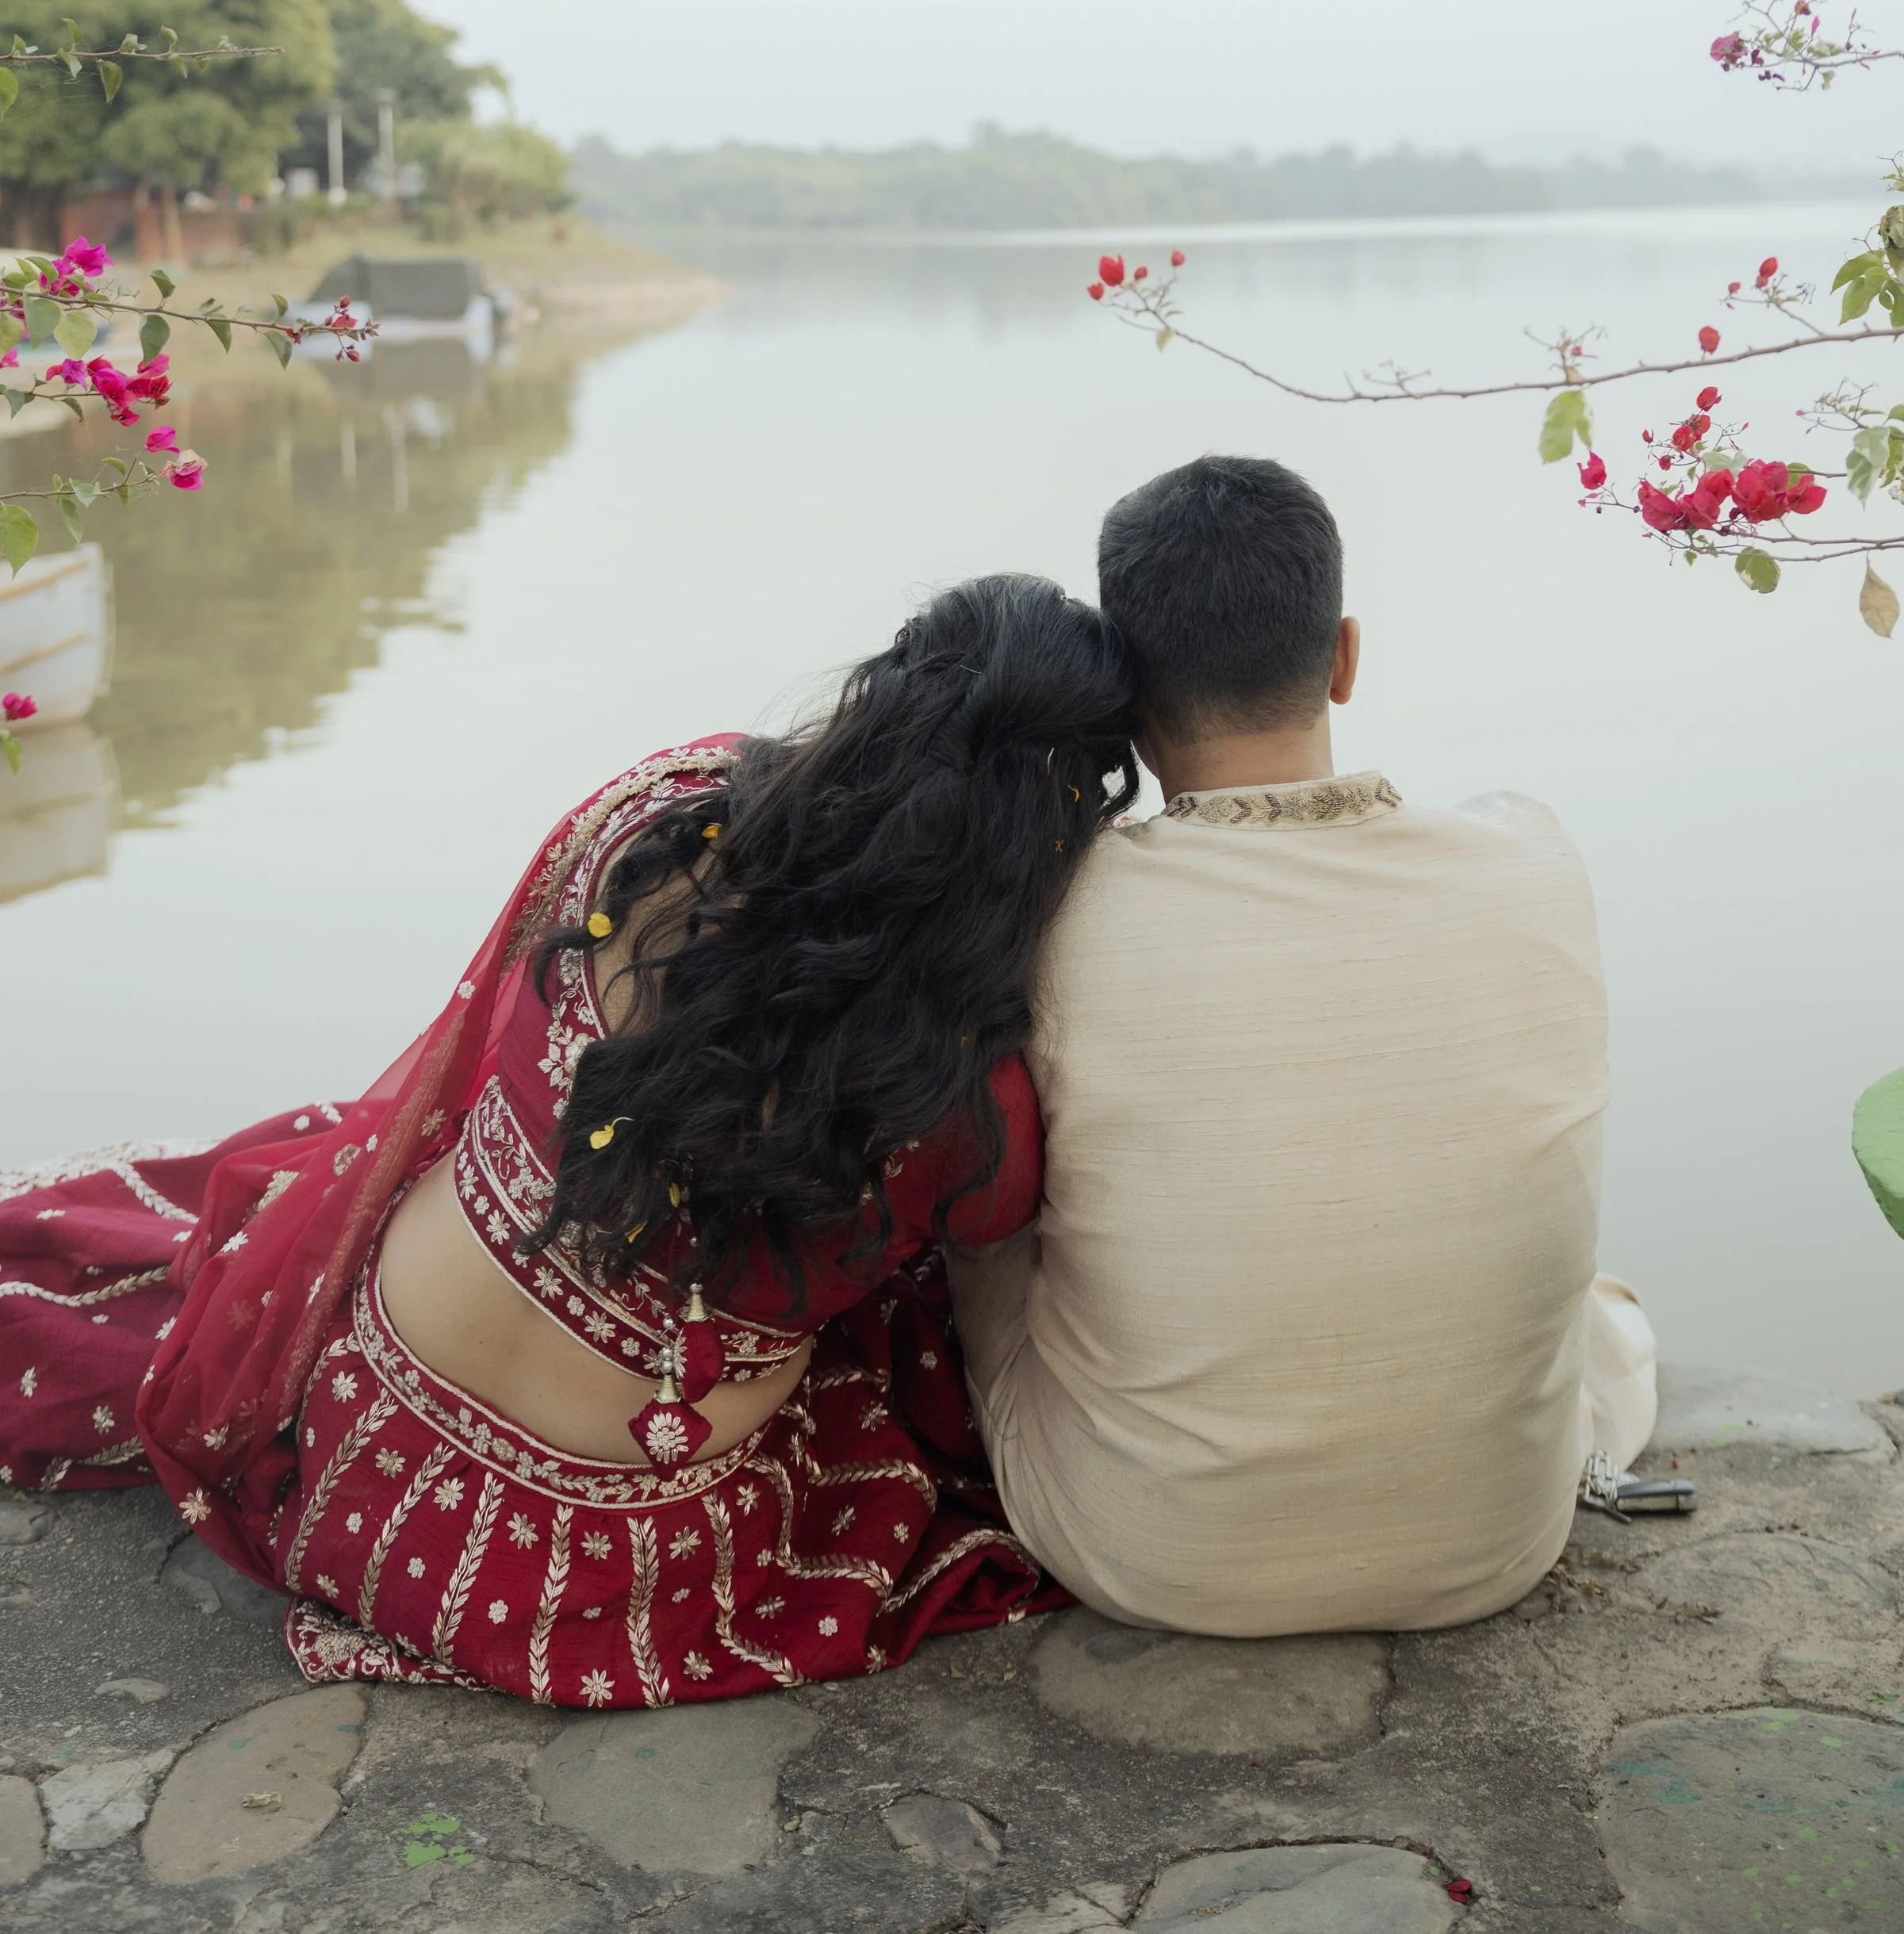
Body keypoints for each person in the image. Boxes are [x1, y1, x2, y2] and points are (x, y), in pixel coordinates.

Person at [0, 573, 1138, 1704]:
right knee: (918, 1314)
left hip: (353, 1451)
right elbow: (993, 1246)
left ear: (882, 692)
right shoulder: (967, 1098)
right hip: (589, 1577)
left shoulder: (653, 814)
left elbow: (466, 1061)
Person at [950, 454, 1656, 1638]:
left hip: (1149, 1555)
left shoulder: (1060, 912)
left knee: (991, 1200)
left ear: (1123, 691)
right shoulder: (1531, 858)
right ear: (1343, 655)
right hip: (1494, 1544)